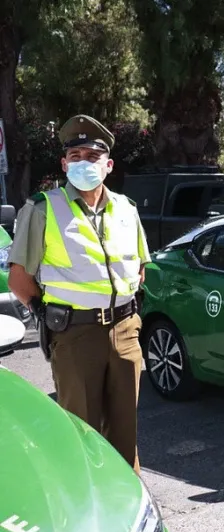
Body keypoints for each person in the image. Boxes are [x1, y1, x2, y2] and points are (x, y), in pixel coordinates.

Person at [7, 114, 150, 474]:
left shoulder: (127, 210)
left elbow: (139, 269)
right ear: (64, 163)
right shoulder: (41, 208)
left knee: (125, 436)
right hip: (75, 335)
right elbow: (19, 279)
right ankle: (87, 516)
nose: (83, 163)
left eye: (92, 156)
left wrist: (128, 319)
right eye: (76, 156)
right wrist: (48, 317)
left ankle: (128, 508)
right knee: (80, 435)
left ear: (109, 165)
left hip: (125, 332)